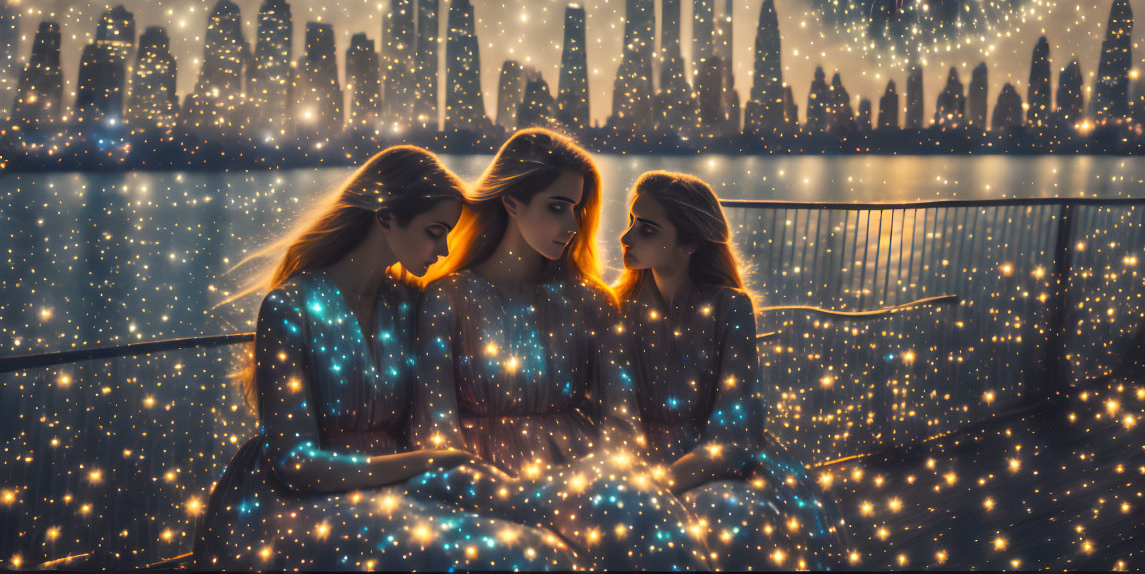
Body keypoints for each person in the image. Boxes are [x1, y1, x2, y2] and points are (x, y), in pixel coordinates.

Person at [193, 146, 576, 571]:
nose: (445, 249)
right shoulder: (289, 307)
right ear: (386, 216)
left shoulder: (410, 304)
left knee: (547, 534)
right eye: (435, 231)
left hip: (399, 489)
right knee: (507, 554)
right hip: (302, 505)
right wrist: (433, 461)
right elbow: (296, 464)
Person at [413, 128, 710, 571]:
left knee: (656, 537)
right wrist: (510, 496)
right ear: (512, 202)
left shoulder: (591, 302)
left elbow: (622, 423)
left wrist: (586, 479)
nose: (571, 227)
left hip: (588, 476)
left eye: (577, 210)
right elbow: (434, 435)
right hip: (481, 481)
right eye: (556, 208)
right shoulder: (446, 299)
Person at [616, 170, 847, 571]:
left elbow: (733, 431)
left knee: (731, 521)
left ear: (689, 243)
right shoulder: (617, 309)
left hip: (718, 461)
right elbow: (614, 417)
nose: (626, 237)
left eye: (647, 229)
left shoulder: (731, 308)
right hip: (635, 459)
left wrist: (665, 483)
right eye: (632, 222)